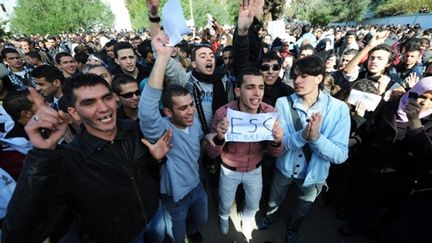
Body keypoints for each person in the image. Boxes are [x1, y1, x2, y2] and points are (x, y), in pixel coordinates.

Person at [2, 74, 172, 243]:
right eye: (89, 103)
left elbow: (141, 176)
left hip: (154, 216)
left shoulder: (133, 129)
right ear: (73, 112)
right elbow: (19, 234)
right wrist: (41, 154)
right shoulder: (69, 161)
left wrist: (156, 160)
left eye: (106, 98)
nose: (104, 108)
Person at [256, 55, 350, 243]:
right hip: (285, 168)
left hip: (314, 175)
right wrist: (303, 135)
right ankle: (271, 216)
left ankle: (293, 228)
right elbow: (282, 144)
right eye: (295, 76)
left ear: (319, 78)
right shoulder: (283, 103)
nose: (297, 81)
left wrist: (316, 138)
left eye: (304, 76)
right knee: (274, 198)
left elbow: (340, 155)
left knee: (302, 208)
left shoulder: (339, 109)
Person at [340, 77, 432, 239]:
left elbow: (426, 156)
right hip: (370, 161)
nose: (425, 103)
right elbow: (370, 127)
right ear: (414, 93)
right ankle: (349, 213)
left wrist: (415, 123)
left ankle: (355, 226)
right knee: (359, 191)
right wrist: (355, 140)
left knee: (375, 204)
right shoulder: (392, 105)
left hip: (396, 175)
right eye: (423, 96)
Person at [139, 31, 208, 243]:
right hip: (174, 198)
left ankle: (193, 230)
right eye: (183, 108)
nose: (190, 112)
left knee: (202, 220)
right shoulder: (161, 130)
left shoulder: (194, 122)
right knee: (177, 237)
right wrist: (162, 57)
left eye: (191, 106)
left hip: (197, 187)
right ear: (168, 112)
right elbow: (148, 110)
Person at [206, 68, 284, 239]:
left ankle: (247, 220)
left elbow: (276, 153)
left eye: (261, 87)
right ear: (238, 91)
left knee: (253, 205)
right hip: (229, 170)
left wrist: (277, 141)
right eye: (250, 87)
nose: (257, 93)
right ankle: (224, 218)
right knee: (225, 203)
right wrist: (219, 138)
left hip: (255, 170)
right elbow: (211, 154)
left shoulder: (269, 112)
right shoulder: (223, 113)